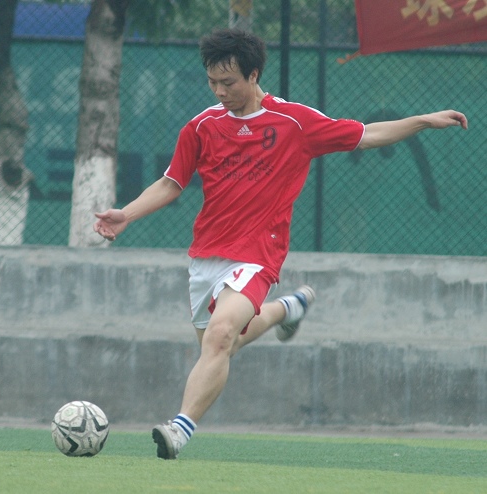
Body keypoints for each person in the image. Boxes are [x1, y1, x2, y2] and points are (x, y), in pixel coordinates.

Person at [93, 28, 468, 460]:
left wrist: (423, 121)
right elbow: (171, 182)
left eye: (228, 82)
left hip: (258, 254)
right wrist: (126, 215)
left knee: (220, 336)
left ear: (253, 75)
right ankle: (287, 309)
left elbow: (367, 134)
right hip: (206, 256)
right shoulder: (201, 126)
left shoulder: (294, 122)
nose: (220, 91)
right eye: (212, 82)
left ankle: (179, 430)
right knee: (225, 344)